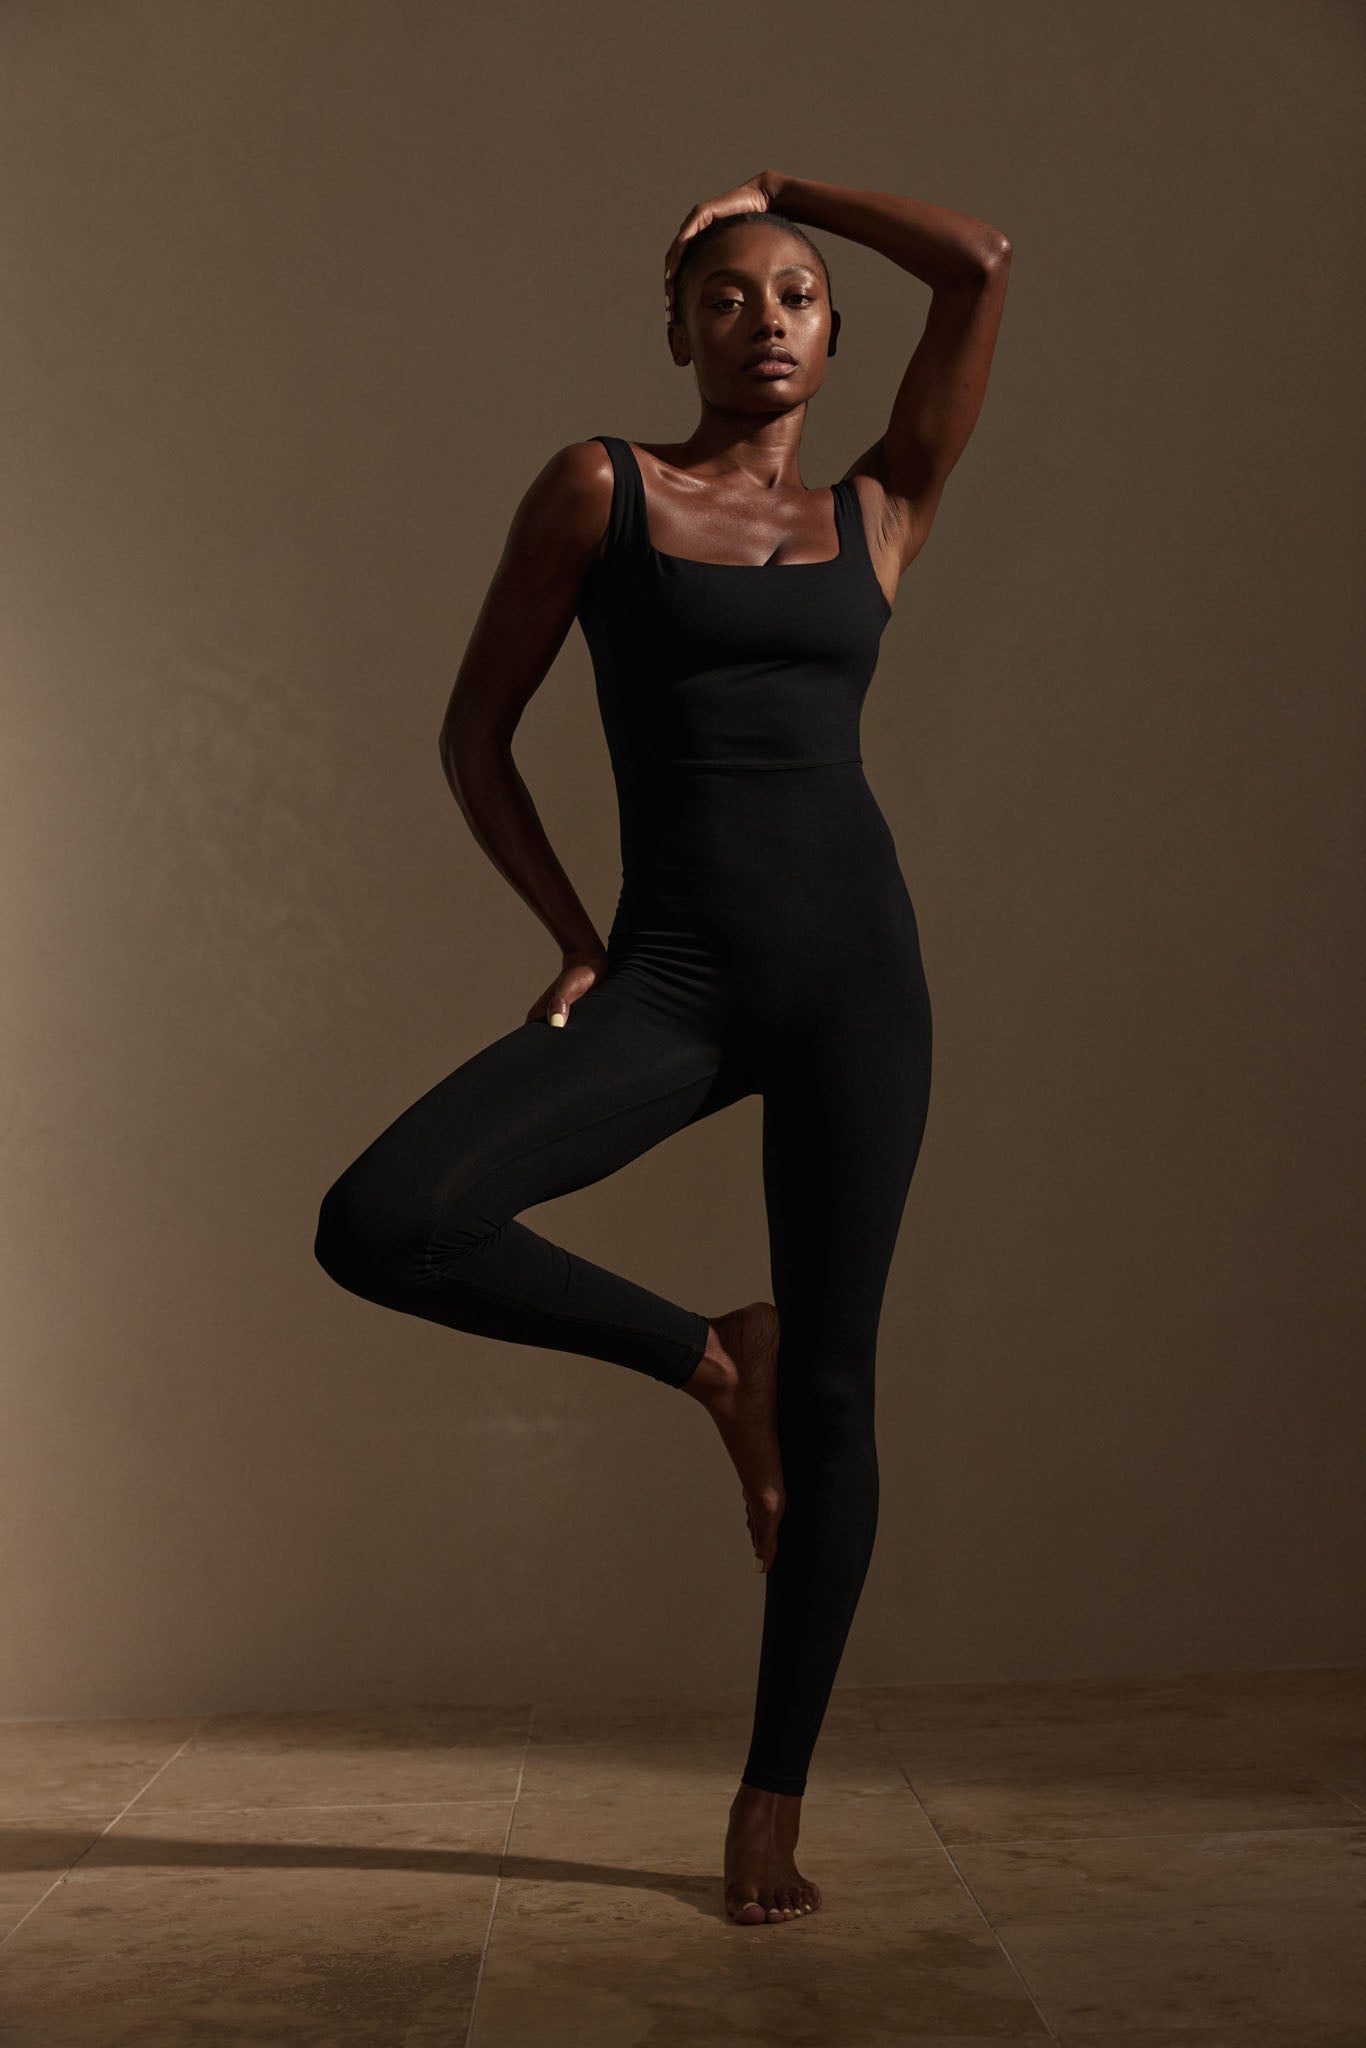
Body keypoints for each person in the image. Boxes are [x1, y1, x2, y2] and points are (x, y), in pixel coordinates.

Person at [314, 169, 1011, 1926]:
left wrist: (786, 179)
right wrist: (572, 934)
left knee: (842, 1393)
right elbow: (476, 734)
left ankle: (768, 1808)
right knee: (389, 1217)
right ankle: (714, 1356)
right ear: (676, 328)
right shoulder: (598, 490)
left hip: (859, 984)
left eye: (792, 295)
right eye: (725, 295)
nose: (763, 317)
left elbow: (978, 265)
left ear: (833, 339)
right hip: (678, 979)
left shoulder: (880, 510)